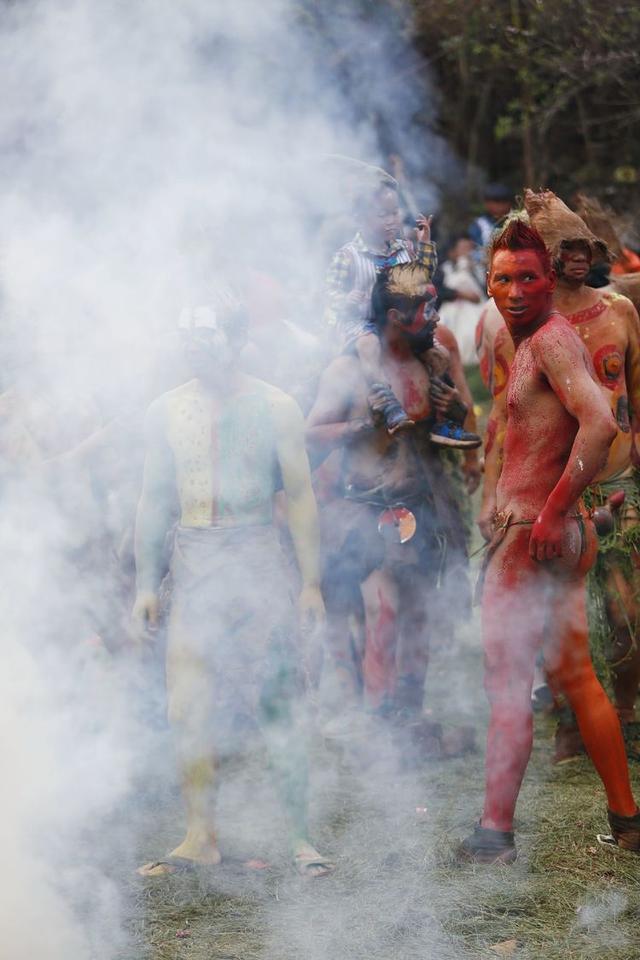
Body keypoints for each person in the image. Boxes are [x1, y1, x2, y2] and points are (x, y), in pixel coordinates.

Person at [458, 219, 640, 864]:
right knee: (575, 676)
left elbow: (600, 423)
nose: (514, 290)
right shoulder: (529, 340)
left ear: (550, 280)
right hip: (559, 539)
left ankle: (494, 835)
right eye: (502, 278)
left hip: (533, 542)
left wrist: (550, 512)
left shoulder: (553, 343)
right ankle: (627, 819)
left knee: (508, 687)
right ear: (488, 282)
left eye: (527, 277)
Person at [133, 302, 333, 878]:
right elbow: (152, 498)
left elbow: (299, 496)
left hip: (257, 555)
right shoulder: (165, 410)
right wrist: (147, 583)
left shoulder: (276, 407)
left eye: (206, 333)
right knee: (187, 705)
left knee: (279, 698)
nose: (193, 345)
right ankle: (200, 836)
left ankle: (299, 836)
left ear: (238, 337)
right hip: (193, 559)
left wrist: (311, 583)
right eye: (185, 335)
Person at [480, 191, 640, 752]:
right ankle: (571, 723)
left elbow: (629, 401)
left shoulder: (619, 310)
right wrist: (489, 492)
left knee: (623, 609)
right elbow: (505, 417)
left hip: (615, 482)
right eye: (565, 249)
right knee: (562, 626)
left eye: (584, 248)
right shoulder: (519, 327)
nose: (577, 258)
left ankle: (626, 713)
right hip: (551, 501)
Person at [308, 263, 473, 756]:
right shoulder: (348, 369)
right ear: (396, 315)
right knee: (383, 612)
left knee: (419, 613)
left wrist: (454, 411)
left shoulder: (432, 361)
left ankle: (408, 714)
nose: (433, 314)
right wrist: (357, 428)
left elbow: (460, 420)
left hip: (422, 508)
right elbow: (308, 433)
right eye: (424, 307)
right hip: (366, 514)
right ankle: (378, 722)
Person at [324, 176, 480, 448]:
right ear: (360, 217)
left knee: (441, 354)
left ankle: (444, 418)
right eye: (382, 214)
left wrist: (425, 243)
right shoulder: (348, 256)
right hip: (365, 324)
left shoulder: (404, 249)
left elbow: (424, 276)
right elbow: (329, 294)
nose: (391, 220)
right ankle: (385, 401)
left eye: (395, 212)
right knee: (368, 344)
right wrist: (346, 300)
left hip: (407, 326)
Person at [436, 236, 486, 366]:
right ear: (453, 252)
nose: (467, 251)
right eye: (463, 248)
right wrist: (461, 294)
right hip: (453, 308)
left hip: (477, 305)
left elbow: (481, 289)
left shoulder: (477, 267)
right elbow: (441, 290)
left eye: (469, 248)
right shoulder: (444, 269)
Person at [468, 183, 513, 258]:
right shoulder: (479, 225)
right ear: (487, 204)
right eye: (497, 202)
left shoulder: (518, 222)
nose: (501, 206)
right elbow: (470, 251)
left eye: (504, 202)